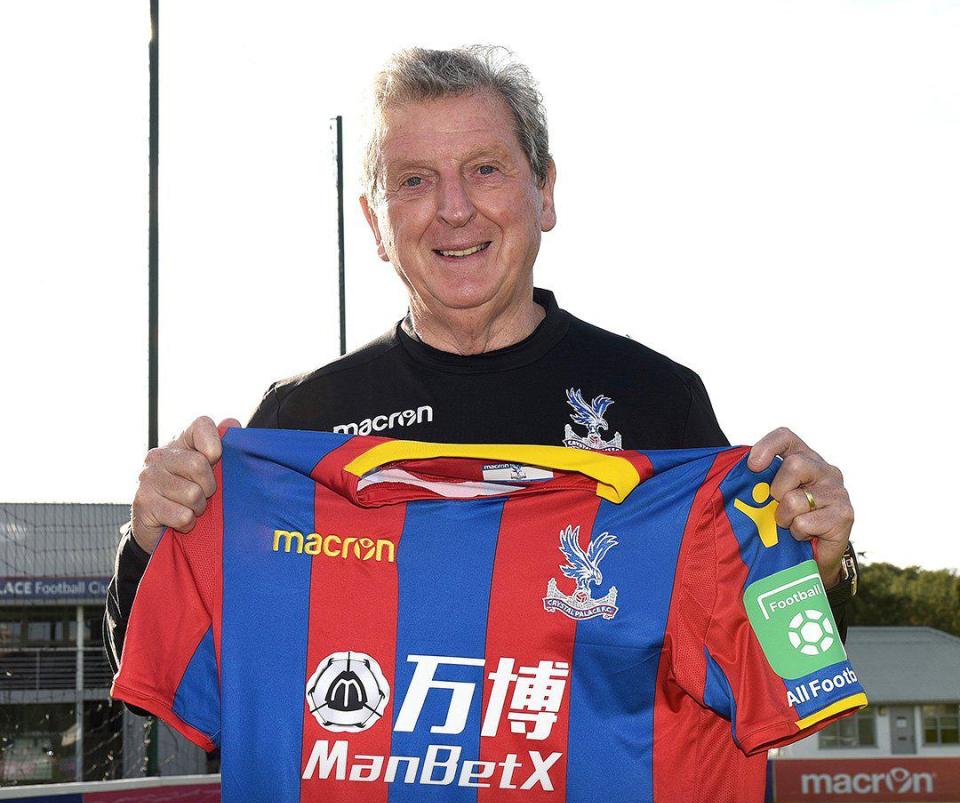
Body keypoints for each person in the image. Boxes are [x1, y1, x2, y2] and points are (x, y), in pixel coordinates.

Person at [104, 44, 857, 685]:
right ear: (376, 221)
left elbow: (778, 671)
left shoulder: (659, 402)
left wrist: (816, 567)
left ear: (545, 191)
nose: (454, 208)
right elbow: (180, 678)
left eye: (486, 168)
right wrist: (151, 544)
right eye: (414, 180)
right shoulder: (299, 428)